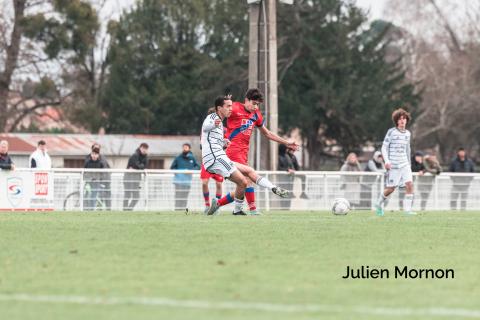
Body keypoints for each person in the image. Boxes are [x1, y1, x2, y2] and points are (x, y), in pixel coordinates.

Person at [202, 96, 289, 216]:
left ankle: (273, 188)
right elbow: (206, 127)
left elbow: (211, 140)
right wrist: (213, 124)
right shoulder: (213, 117)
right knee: (244, 181)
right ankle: (243, 209)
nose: (231, 109)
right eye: (228, 106)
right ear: (219, 108)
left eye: (231, 106)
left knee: (248, 172)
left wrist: (223, 142)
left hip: (221, 156)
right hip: (216, 158)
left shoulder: (221, 123)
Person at [225, 88, 299, 215]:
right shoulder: (235, 107)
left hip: (243, 153)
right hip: (231, 152)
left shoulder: (256, 115)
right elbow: (219, 113)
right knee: (247, 179)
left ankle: (221, 204)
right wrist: (226, 103)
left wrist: (287, 142)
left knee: (243, 184)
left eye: (258, 104)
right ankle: (253, 208)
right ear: (246, 100)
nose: (255, 107)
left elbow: (268, 134)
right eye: (253, 103)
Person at [375, 108, 416, 216]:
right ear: (397, 121)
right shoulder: (391, 132)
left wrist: (409, 164)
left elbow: (408, 149)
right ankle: (379, 204)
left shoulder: (408, 133)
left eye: (404, 119)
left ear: (407, 120)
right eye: (400, 119)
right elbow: (384, 148)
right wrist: (387, 161)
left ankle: (407, 211)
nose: (402, 121)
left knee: (410, 184)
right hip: (393, 165)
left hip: (405, 164)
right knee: (391, 189)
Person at [170, 143, 201, 210]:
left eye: (186, 147)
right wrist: (179, 172)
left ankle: (183, 210)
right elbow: (172, 168)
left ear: (189, 149)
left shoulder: (192, 158)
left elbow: (198, 167)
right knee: (178, 196)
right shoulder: (178, 158)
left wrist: (190, 171)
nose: (185, 148)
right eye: (183, 147)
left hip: (187, 182)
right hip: (178, 182)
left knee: (184, 197)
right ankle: (177, 209)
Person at [85, 143, 111, 210]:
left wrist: (102, 181)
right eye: (93, 153)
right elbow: (85, 171)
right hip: (92, 180)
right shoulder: (88, 159)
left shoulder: (102, 160)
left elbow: (105, 171)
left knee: (103, 195)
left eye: (96, 153)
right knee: (89, 194)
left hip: (102, 180)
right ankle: (88, 208)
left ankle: (107, 209)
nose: (94, 155)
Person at [123, 143, 149, 211]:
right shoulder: (134, 155)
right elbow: (137, 165)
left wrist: (139, 167)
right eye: (143, 148)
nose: (144, 150)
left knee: (136, 197)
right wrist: (140, 166)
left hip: (137, 179)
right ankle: (125, 210)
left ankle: (129, 209)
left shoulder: (146, 157)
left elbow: (144, 166)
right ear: (140, 148)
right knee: (127, 195)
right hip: (128, 178)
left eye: (145, 149)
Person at [277, 144, 295, 209]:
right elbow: (278, 168)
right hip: (282, 179)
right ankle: (283, 208)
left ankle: (288, 207)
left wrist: (292, 170)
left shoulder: (287, 156)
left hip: (289, 179)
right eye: (286, 148)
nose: (287, 150)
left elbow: (291, 166)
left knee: (289, 193)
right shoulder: (278, 157)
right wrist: (287, 170)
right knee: (283, 193)